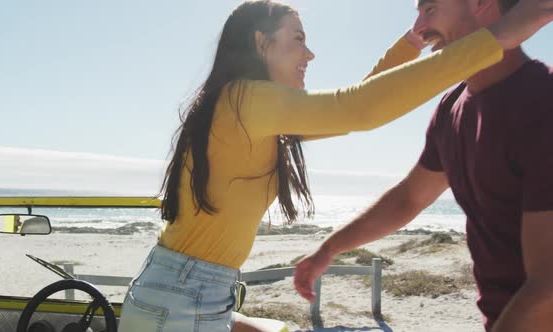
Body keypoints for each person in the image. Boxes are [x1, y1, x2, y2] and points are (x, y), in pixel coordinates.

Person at [118, 0, 553, 331]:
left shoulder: (257, 113)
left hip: (193, 289)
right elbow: (359, 109)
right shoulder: (243, 100)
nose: (310, 55)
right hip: (181, 296)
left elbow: (358, 106)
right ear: (260, 42)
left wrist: (411, 44)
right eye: (298, 39)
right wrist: (498, 36)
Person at [293, 0, 553, 331]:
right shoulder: (452, 108)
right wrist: (329, 248)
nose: (418, 28)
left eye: (429, 9)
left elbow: (548, 284)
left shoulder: (543, 103)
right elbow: (409, 198)